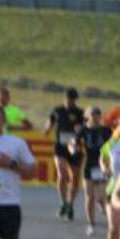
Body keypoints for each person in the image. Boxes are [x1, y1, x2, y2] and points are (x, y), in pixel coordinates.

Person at [0, 107, 38, 239]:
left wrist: (10, 164)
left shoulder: (16, 143)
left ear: (3, 121)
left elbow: (33, 171)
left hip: (9, 206)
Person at [44, 87, 85, 221]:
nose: (71, 101)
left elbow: (83, 127)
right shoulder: (58, 110)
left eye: (73, 99)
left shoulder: (80, 112)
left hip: (74, 146)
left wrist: (80, 130)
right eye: (69, 98)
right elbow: (50, 122)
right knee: (62, 173)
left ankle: (70, 205)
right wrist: (47, 129)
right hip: (60, 145)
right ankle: (63, 202)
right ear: (65, 98)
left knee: (75, 176)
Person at [78, 106, 112, 236]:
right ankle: (91, 223)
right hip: (89, 164)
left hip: (102, 164)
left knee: (101, 195)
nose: (96, 116)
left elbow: (113, 142)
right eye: (93, 114)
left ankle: (103, 206)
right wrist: (74, 148)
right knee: (89, 196)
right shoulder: (83, 130)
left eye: (98, 113)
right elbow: (74, 142)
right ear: (88, 115)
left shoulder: (106, 130)